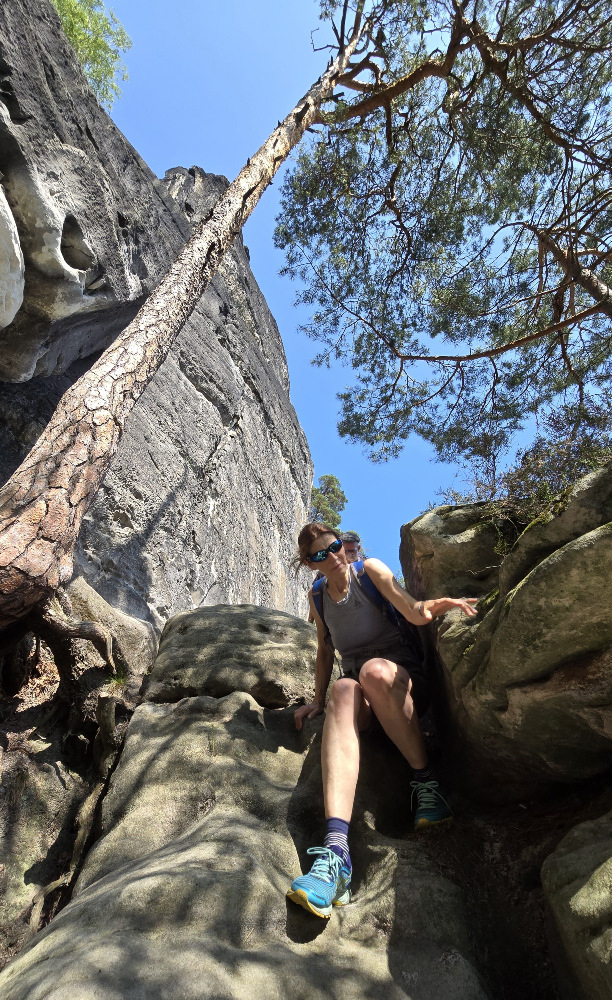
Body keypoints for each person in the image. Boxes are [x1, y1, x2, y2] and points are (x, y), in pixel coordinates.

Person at [287, 522, 478, 919]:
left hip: (402, 681)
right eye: (320, 555)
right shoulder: (318, 595)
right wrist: (317, 701)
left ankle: (426, 783)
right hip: (364, 693)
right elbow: (325, 651)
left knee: (373, 671)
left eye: (335, 546)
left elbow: (413, 610)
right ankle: (336, 854)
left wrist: (442, 604)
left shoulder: (369, 571)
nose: (333, 556)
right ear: (309, 563)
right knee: (345, 688)